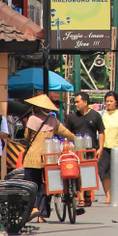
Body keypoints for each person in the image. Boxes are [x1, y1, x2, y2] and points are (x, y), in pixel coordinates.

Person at [22, 94, 76, 222]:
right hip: (49, 158)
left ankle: (33, 208)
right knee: (46, 187)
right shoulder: (53, 120)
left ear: (38, 108)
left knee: (31, 185)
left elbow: (27, 137)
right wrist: (77, 139)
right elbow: (66, 133)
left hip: (32, 158)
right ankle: (41, 213)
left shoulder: (32, 119)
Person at [64, 92, 105, 206]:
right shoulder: (72, 117)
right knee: (78, 173)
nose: (75, 104)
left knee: (90, 173)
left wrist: (100, 148)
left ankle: (87, 196)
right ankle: (81, 197)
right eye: (75, 102)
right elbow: (67, 133)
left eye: (78, 102)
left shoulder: (95, 115)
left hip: (91, 150)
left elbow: (101, 132)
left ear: (85, 102)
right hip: (76, 151)